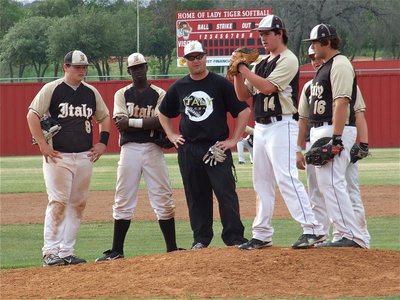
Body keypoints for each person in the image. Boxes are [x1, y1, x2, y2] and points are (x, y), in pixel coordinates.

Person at [232, 14, 326, 250]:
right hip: (262, 126)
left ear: (279, 33)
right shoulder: (261, 63)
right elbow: (243, 95)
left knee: (286, 177)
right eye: (260, 34)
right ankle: (262, 233)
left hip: (283, 124)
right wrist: (235, 74)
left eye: (267, 33)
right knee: (261, 181)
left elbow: (267, 87)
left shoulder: (289, 59)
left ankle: (313, 229)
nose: (263, 38)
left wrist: (243, 68)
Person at [158, 40, 250, 249]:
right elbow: (163, 112)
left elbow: (243, 111)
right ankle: (201, 239)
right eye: (191, 58)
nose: (196, 61)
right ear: (185, 61)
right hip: (189, 148)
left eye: (199, 56)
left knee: (225, 193)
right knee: (196, 196)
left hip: (216, 147)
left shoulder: (219, 83)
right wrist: (171, 135)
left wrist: (234, 140)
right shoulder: (180, 86)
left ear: (206, 57)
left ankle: (234, 238)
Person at [27, 50, 111, 266]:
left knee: (78, 204)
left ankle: (66, 251)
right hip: (58, 156)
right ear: (66, 67)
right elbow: (32, 115)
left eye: (84, 67)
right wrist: (43, 145)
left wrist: (103, 142)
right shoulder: (52, 89)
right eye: (77, 67)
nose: (81, 70)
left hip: (84, 155)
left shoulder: (91, 92)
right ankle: (50, 252)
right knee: (58, 202)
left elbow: (104, 117)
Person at [95, 53, 181, 261]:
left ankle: (172, 248)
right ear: (129, 71)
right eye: (135, 68)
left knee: (163, 197)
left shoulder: (159, 93)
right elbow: (120, 123)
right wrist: (147, 123)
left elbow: (160, 122)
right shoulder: (121, 94)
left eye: (141, 66)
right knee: (123, 198)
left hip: (153, 148)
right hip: (130, 149)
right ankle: (117, 250)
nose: (139, 70)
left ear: (146, 67)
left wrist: (134, 123)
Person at [299, 24, 368, 248]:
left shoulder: (340, 64)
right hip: (325, 129)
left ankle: (352, 235)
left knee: (332, 182)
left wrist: (336, 138)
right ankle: (344, 234)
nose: (312, 48)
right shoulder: (325, 68)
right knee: (328, 184)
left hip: (334, 128)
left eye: (314, 43)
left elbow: (342, 103)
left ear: (327, 42)